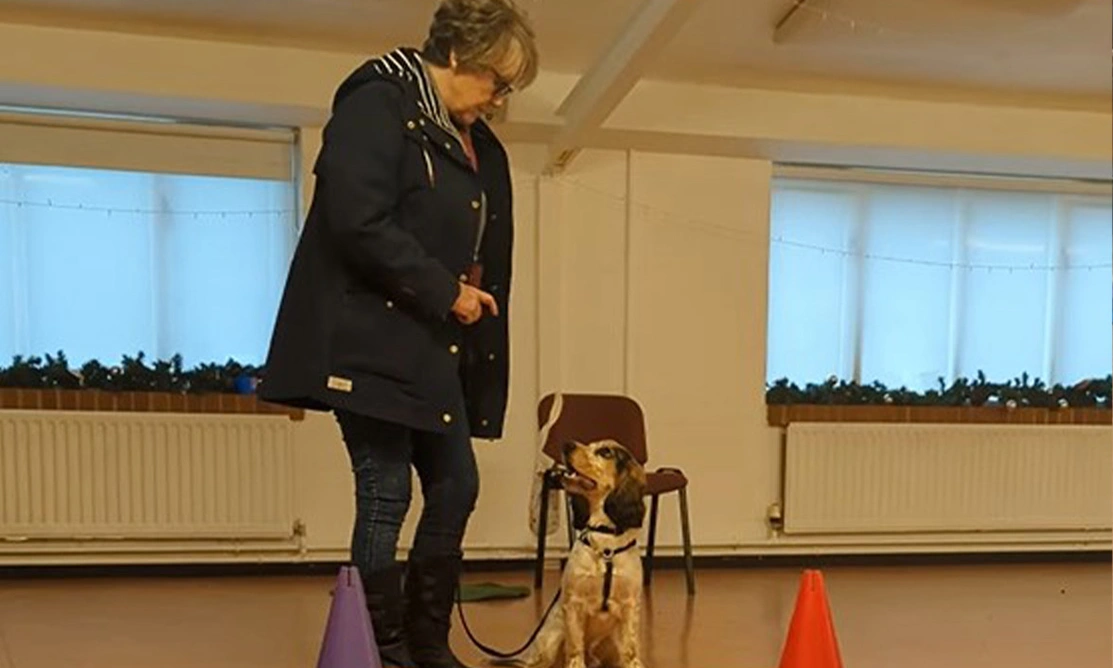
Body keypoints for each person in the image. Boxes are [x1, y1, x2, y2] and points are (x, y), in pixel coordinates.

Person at [257, 2, 538, 667]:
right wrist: (445, 290)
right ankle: (382, 651)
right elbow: (357, 220)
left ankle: (426, 643)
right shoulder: (378, 105)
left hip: (430, 341)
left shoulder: (468, 137)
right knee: (385, 494)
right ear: (454, 57)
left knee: (456, 485)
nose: (498, 99)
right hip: (367, 339)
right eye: (495, 82)